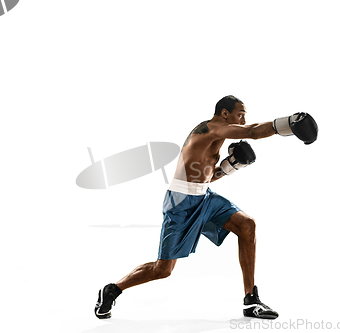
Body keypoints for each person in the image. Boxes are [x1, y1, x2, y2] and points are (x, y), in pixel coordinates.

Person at [94, 95, 318, 320]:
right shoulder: (212, 128)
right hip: (181, 203)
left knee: (247, 225)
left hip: (205, 199)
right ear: (224, 113)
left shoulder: (216, 136)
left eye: (243, 117)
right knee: (163, 270)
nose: (241, 121)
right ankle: (112, 290)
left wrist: (231, 166)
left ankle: (251, 300)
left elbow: (207, 178)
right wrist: (289, 123)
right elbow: (252, 131)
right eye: (239, 115)